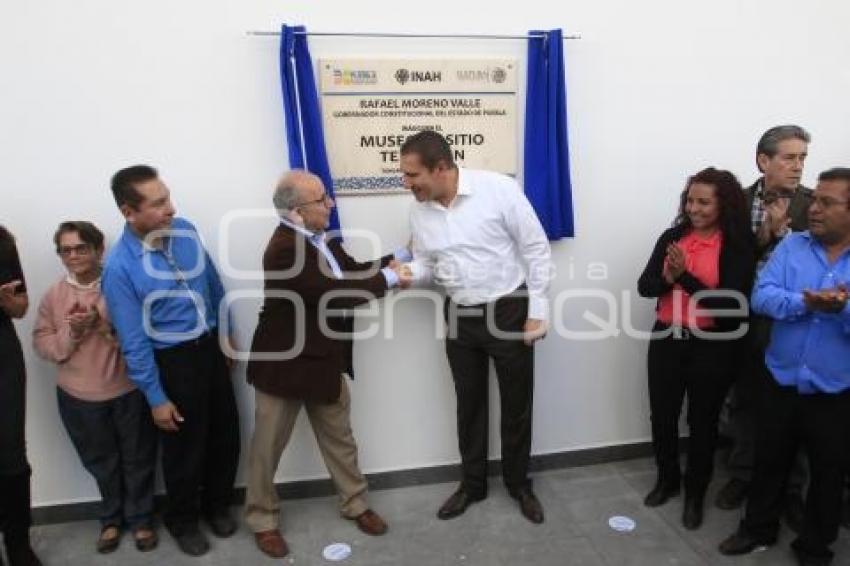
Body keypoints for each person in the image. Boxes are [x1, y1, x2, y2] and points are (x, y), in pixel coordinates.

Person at [244, 170, 409, 558]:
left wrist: (399, 257)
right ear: (297, 210)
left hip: (323, 361)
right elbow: (335, 295)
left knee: (340, 439)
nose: (330, 205)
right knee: (267, 448)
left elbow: (351, 271)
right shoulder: (283, 248)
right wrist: (389, 279)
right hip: (283, 365)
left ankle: (356, 504)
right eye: (322, 200)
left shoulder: (321, 241)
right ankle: (262, 520)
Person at [399, 130, 553, 524]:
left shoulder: (498, 189)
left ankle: (519, 484)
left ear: (442, 167)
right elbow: (429, 265)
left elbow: (536, 247)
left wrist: (537, 309)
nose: (407, 183)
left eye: (412, 175)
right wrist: (408, 273)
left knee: (517, 405)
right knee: (469, 404)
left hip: (509, 310)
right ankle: (473, 485)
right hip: (458, 314)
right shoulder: (419, 211)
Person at [101, 165, 240, 557]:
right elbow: (132, 340)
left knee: (225, 435)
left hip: (210, 347)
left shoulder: (187, 231)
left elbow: (213, 284)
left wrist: (226, 335)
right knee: (183, 450)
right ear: (129, 211)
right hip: (172, 362)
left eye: (168, 197)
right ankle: (182, 520)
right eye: (159, 203)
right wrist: (156, 397)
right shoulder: (119, 268)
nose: (171, 208)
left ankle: (218, 507)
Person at [719, 168, 850, 566]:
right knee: (769, 460)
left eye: (827, 202)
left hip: (836, 389)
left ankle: (813, 546)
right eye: (815, 200)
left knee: (828, 474)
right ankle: (757, 529)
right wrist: (807, 303)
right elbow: (762, 297)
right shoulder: (791, 247)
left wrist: (843, 309)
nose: (814, 208)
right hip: (780, 380)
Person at [637, 167, 755, 530]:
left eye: (704, 201)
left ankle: (694, 494)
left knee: (702, 423)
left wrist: (684, 277)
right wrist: (667, 279)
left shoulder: (736, 244)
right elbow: (645, 286)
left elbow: (731, 309)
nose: (694, 208)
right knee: (663, 415)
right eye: (690, 200)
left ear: (724, 204)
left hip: (713, 347)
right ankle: (667, 478)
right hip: (667, 339)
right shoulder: (672, 237)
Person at [33, 221, 158, 554]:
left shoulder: (120, 283)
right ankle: (111, 520)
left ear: (98, 249)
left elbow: (147, 335)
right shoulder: (53, 296)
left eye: (81, 247)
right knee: (102, 461)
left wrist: (103, 327)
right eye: (66, 250)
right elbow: (43, 346)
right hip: (78, 397)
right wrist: (72, 334)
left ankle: (142, 518)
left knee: (138, 457)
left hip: (128, 390)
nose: (73, 255)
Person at [717, 125, 812, 530]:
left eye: (802, 158)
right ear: (763, 161)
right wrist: (765, 235)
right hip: (742, 314)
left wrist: (785, 234)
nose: (797, 167)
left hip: (793, 318)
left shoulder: (815, 204)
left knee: (792, 405)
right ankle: (742, 475)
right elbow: (730, 256)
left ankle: (790, 491)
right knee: (745, 396)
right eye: (789, 158)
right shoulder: (736, 201)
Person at [0, 225, 42, 566]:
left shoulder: (2, 242)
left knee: (11, 455)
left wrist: (13, 303)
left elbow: (21, 307)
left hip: (2, 362)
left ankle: (18, 543)